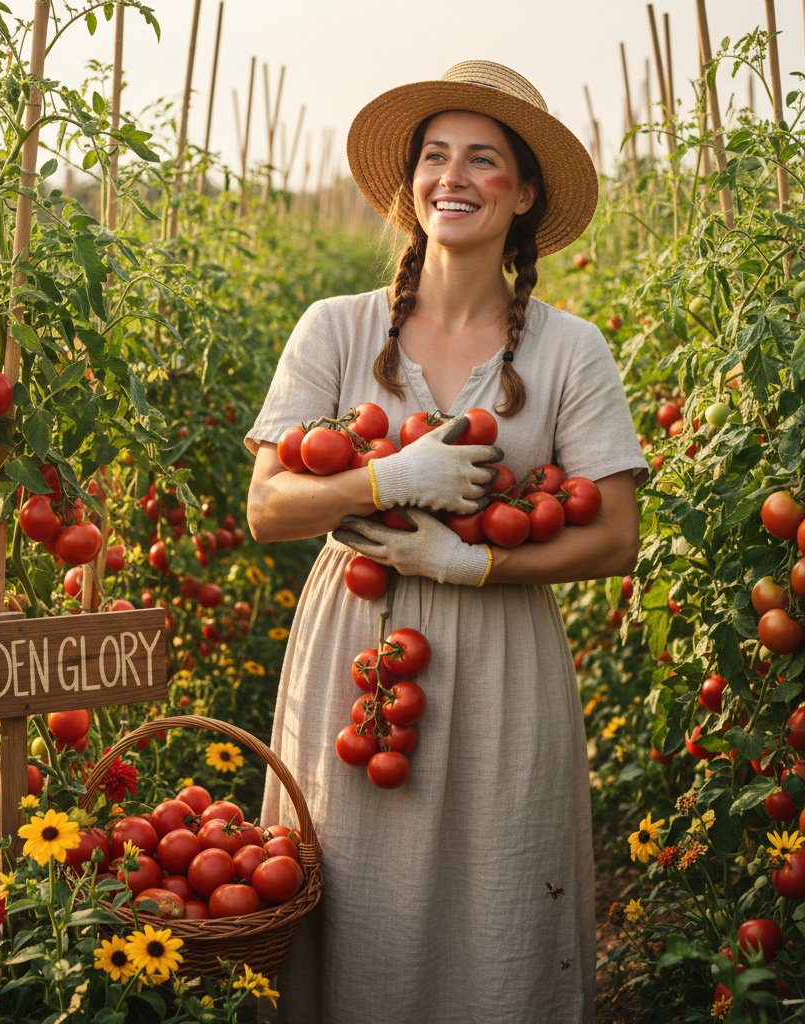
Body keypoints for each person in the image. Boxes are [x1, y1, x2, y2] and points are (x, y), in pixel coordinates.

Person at [244, 60, 646, 1024]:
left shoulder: (568, 348)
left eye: (483, 159)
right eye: (434, 157)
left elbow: (619, 538)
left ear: (526, 193)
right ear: (408, 183)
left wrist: (474, 560)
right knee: (348, 880)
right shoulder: (335, 331)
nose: (452, 178)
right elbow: (267, 508)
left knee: (499, 885)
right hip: (357, 655)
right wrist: (385, 478)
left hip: (502, 656)